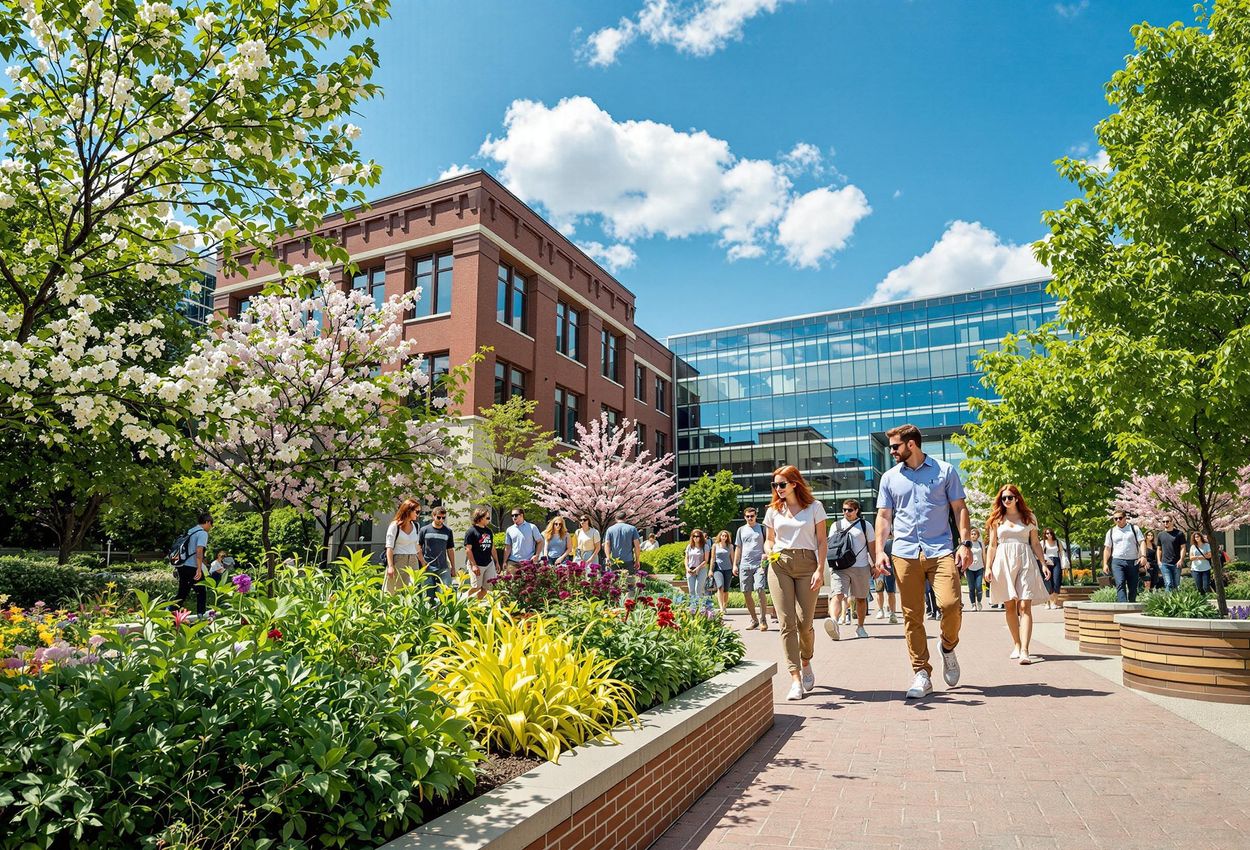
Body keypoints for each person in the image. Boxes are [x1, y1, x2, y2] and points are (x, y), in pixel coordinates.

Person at [873, 424, 971, 700]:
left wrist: (965, 544)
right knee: (912, 615)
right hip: (904, 552)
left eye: (895, 446)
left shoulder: (944, 471)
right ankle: (922, 673)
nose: (891, 451)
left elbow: (959, 508)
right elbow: (883, 517)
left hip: (940, 550)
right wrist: (880, 550)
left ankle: (948, 646)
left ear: (911, 444)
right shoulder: (890, 478)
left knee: (951, 605)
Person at [762, 465, 827, 702]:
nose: (777, 489)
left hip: (807, 563)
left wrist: (820, 569)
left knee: (804, 623)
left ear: (794, 484)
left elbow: (821, 542)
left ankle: (806, 659)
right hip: (779, 565)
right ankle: (795, 678)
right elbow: (769, 541)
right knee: (786, 623)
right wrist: (770, 551)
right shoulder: (773, 511)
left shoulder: (814, 508)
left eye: (781, 484)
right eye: (774, 485)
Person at [985, 485, 1052, 664]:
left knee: (1024, 606)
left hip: (1026, 560)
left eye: (1009, 497)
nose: (1006, 500)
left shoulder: (1029, 517)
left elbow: (1036, 543)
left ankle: (1025, 650)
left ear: (1017, 498)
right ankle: (1016, 644)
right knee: (1009, 606)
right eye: (1003, 498)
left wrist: (1043, 563)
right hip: (1003, 561)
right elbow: (992, 545)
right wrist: (988, 567)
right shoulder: (996, 519)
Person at [824, 498, 875, 641]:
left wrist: (875, 565)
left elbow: (872, 547)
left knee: (860, 599)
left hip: (861, 566)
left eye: (850, 510)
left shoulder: (865, 525)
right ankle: (834, 622)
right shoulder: (836, 525)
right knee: (837, 594)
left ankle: (860, 627)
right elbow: (831, 546)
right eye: (844, 509)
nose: (846, 512)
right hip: (840, 566)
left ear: (857, 510)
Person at [734, 506, 773, 630]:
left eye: (752, 516)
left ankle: (762, 620)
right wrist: (735, 564)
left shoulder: (761, 528)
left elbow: (769, 543)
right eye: (747, 516)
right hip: (745, 564)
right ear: (744, 517)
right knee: (746, 591)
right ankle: (754, 619)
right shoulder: (741, 530)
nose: (750, 518)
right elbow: (738, 548)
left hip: (759, 564)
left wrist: (766, 555)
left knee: (760, 588)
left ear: (756, 516)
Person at [1103, 511, 1147, 602]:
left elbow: (1142, 542)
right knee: (1120, 583)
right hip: (1117, 561)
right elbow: (1107, 548)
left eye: (1120, 518)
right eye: (1115, 519)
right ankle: (1122, 607)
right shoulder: (1111, 531)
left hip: (1133, 561)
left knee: (1133, 585)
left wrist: (1143, 556)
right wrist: (1105, 564)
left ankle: (1131, 605)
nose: (1118, 520)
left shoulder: (1134, 529)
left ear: (1125, 518)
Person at [175, 512, 212, 616]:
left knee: (183, 592)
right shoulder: (202, 533)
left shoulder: (190, 531)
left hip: (182, 565)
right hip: (192, 566)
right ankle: (201, 615)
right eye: (211, 524)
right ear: (207, 522)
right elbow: (199, 551)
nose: (211, 527)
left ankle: (168, 612)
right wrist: (199, 569)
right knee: (201, 590)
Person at [385, 499, 421, 594]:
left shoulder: (416, 526)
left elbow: (416, 546)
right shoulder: (394, 526)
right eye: (417, 511)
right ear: (408, 511)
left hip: (413, 561)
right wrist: (390, 566)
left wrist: (423, 561)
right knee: (393, 591)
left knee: (412, 591)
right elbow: (389, 547)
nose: (418, 514)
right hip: (399, 560)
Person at [417, 507, 456, 596]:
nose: (441, 520)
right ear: (433, 516)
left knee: (445, 592)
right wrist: (422, 562)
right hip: (427, 566)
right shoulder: (424, 530)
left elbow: (450, 550)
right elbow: (418, 546)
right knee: (427, 594)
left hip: (443, 566)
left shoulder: (448, 531)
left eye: (443, 518)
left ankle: (441, 609)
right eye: (439, 517)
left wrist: (453, 567)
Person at [463, 507, 500, 597]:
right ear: (480, 518)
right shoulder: (471, 532)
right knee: (476, 587)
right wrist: (474, 565)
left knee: (487, 588)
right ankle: (462, 600)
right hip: (477, 564)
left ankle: (477, 606)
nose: (489, 520)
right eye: (487, 518)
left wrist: (497, 562)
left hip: (488, 563)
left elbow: (492, 547)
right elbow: (468, 550)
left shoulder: (489, 531)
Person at [1156, 517, 1187, 592]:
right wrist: (1159, 561)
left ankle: (1175, 602)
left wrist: (1181, 559)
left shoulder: (1179, 534)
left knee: (1176, 585)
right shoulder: (1160, 535)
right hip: (1165, 563)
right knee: (1168, 583)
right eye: (1163, 521)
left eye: (1167, 521)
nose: (1165, 523)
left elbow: (1183, 548)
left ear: (1172, 522)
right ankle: (1168, 602)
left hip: (1177, 563)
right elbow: (1159, 549)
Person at [1040, 528, 1069, 609]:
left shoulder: (1057, 542)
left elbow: (1062, 552)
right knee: (1048, 583)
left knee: (1056, 582)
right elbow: (1039, 554)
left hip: (1056, 562)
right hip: (1047, 563)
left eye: (1050, 533)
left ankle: (1054, 602)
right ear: (1045, 535)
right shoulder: (1042, 543)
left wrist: (1064, 563)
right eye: (1047, 533)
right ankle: (1047, 603)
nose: (1049, 535)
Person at [710, 530, 734, 617]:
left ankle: (724, 606)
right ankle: (720, 608)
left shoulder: (730, 546)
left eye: (725, 536)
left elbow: (732, 558)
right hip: (717, 569)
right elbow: (712, 558)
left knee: (726, 590)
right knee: (720, 587)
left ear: (727, 538)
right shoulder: (715, 546)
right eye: (722, 535)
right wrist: (710, 570)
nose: (724, 537)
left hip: (728, 569)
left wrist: (734, 568)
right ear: (719, 536)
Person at [684, 528, 710, 605]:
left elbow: (706, 560)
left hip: (701, 569)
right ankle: (693, 608)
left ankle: (701, 608)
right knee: (691, 590)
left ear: (700, 537)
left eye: (697, 536)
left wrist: (697, 568)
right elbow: (686, 558)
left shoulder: (705, 546)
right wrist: (687, 568)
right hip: (690, 570)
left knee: (698, 590)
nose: (695, 538)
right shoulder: (689, 546)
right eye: (693, 536)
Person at [966, 528, 986, 611]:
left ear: (978, 535)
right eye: (972, 534)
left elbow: (984, 556)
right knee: (971, 587)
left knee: (978, 586)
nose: (973, 535)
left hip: (979, 568)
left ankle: (979, 601)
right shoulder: (968, 544)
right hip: (969, 568)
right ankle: (973, 604)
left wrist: (986, 567)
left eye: (975, 534)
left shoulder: (981, 544)